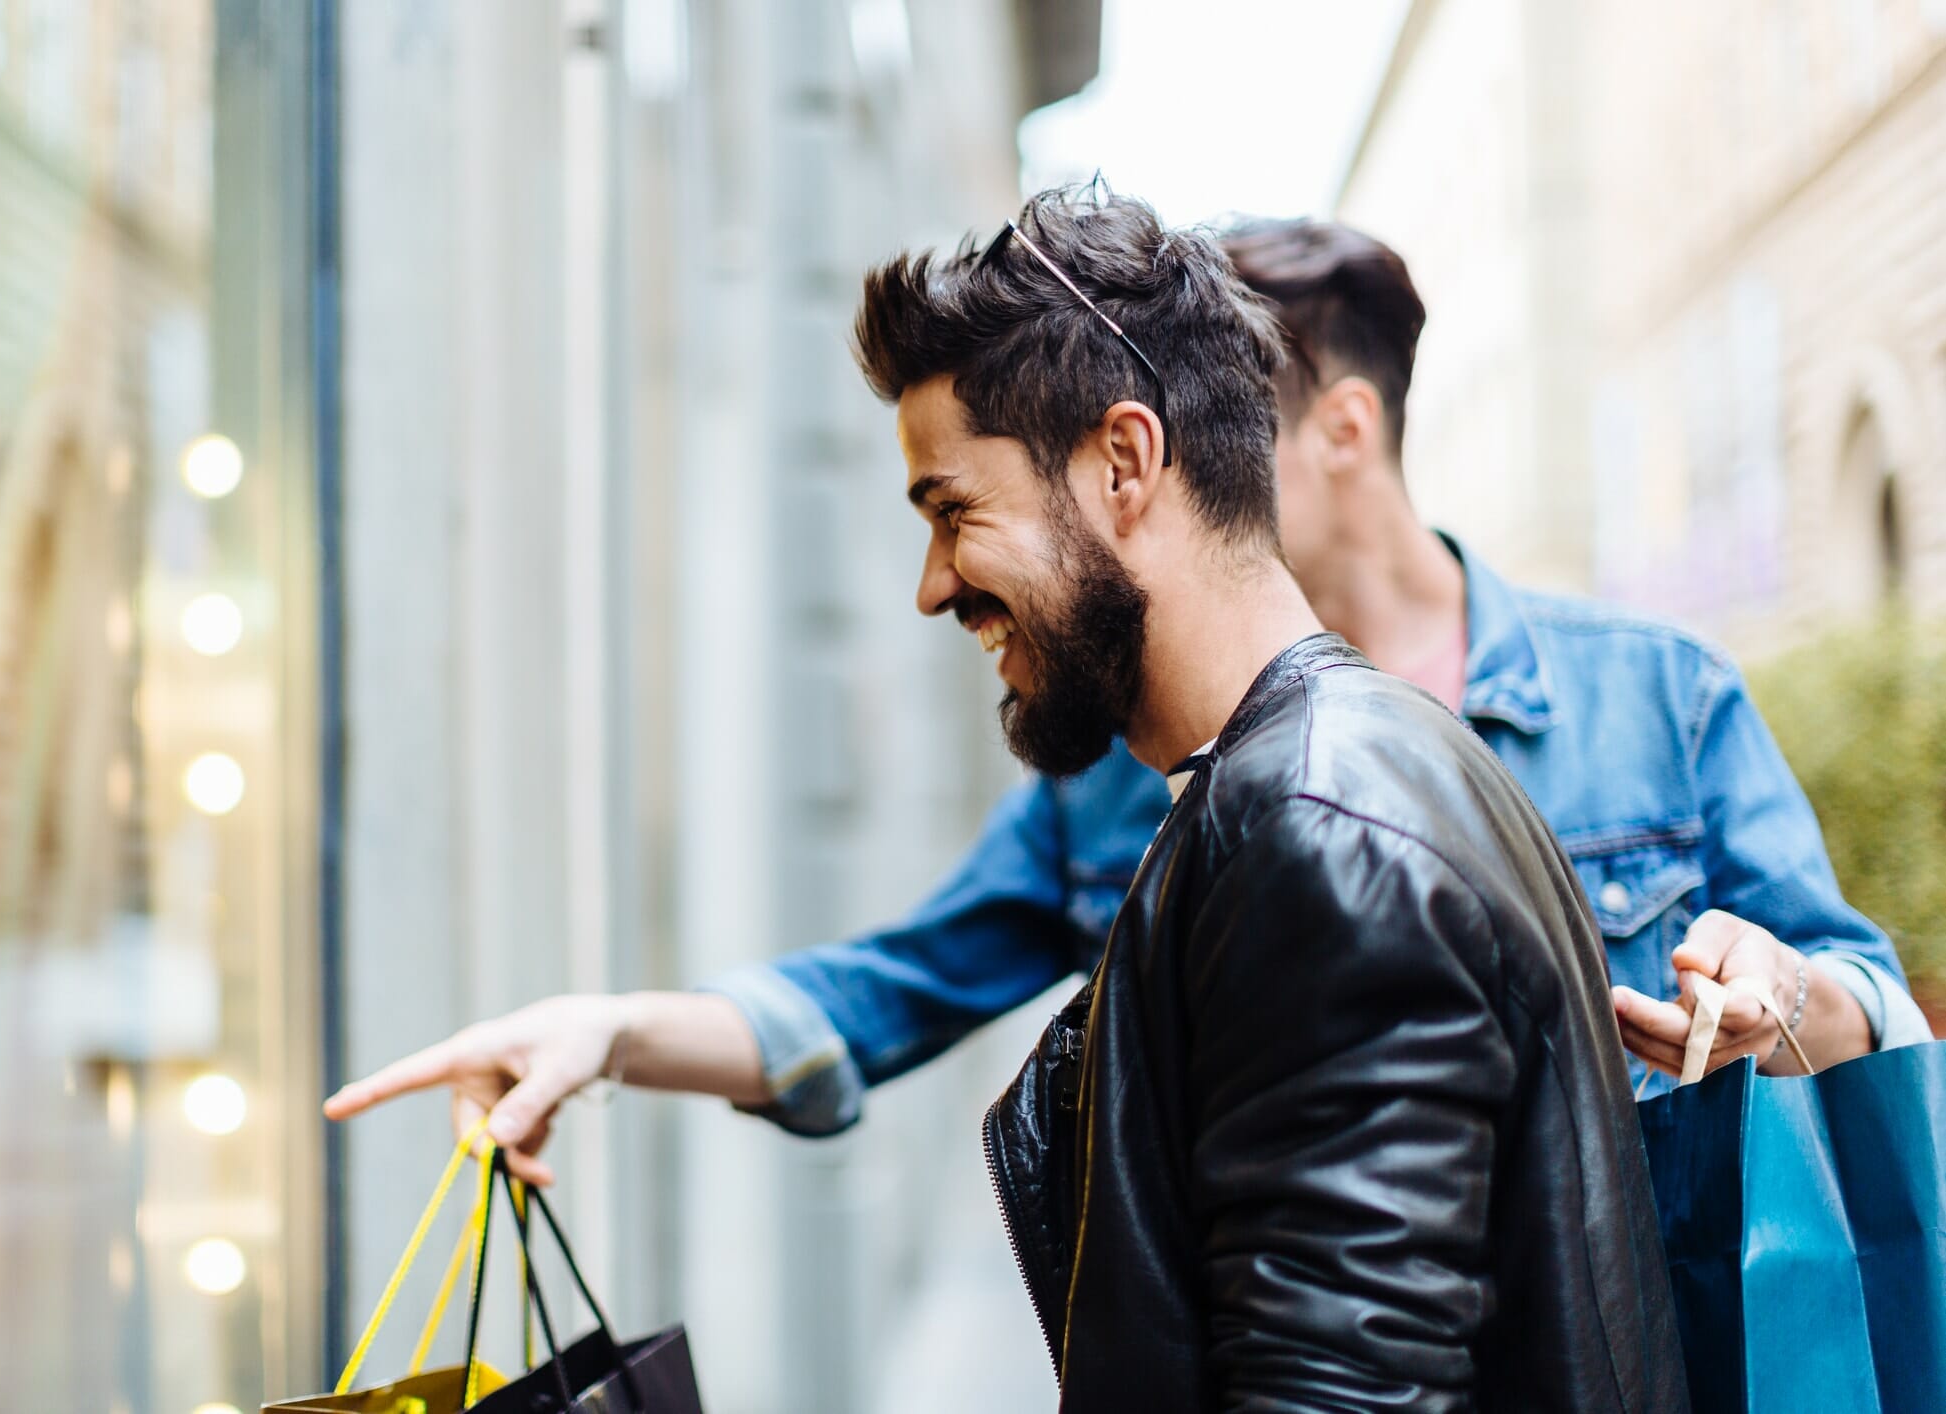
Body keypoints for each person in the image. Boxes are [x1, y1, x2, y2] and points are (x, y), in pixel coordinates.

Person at [342, 187, 1689, 1408]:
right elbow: (894, 985)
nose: (932, 584)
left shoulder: (1308, 829)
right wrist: (611, 1028)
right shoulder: (1344, 768)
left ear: (1122, 463)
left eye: (950, 510)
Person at [325, 215, 1926, 1174]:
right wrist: (608, 1029)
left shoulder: (1649, 693)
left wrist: (1786, 997)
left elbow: (1870, 1002)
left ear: (1337, 433)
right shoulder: (1126, 760)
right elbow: (887, 988)